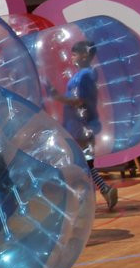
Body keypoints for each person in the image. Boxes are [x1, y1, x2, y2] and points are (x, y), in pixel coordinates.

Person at [49, 40, 118, 211]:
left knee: (81, 163)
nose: (71, 58)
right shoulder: (85, 74)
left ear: (85, 55)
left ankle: (88, 197)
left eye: (74, 54)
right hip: (79, 123)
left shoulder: (84, 76)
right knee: (85, 163)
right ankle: (101, 191)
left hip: (80, 125)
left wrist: (57, 97)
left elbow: (79, 100)